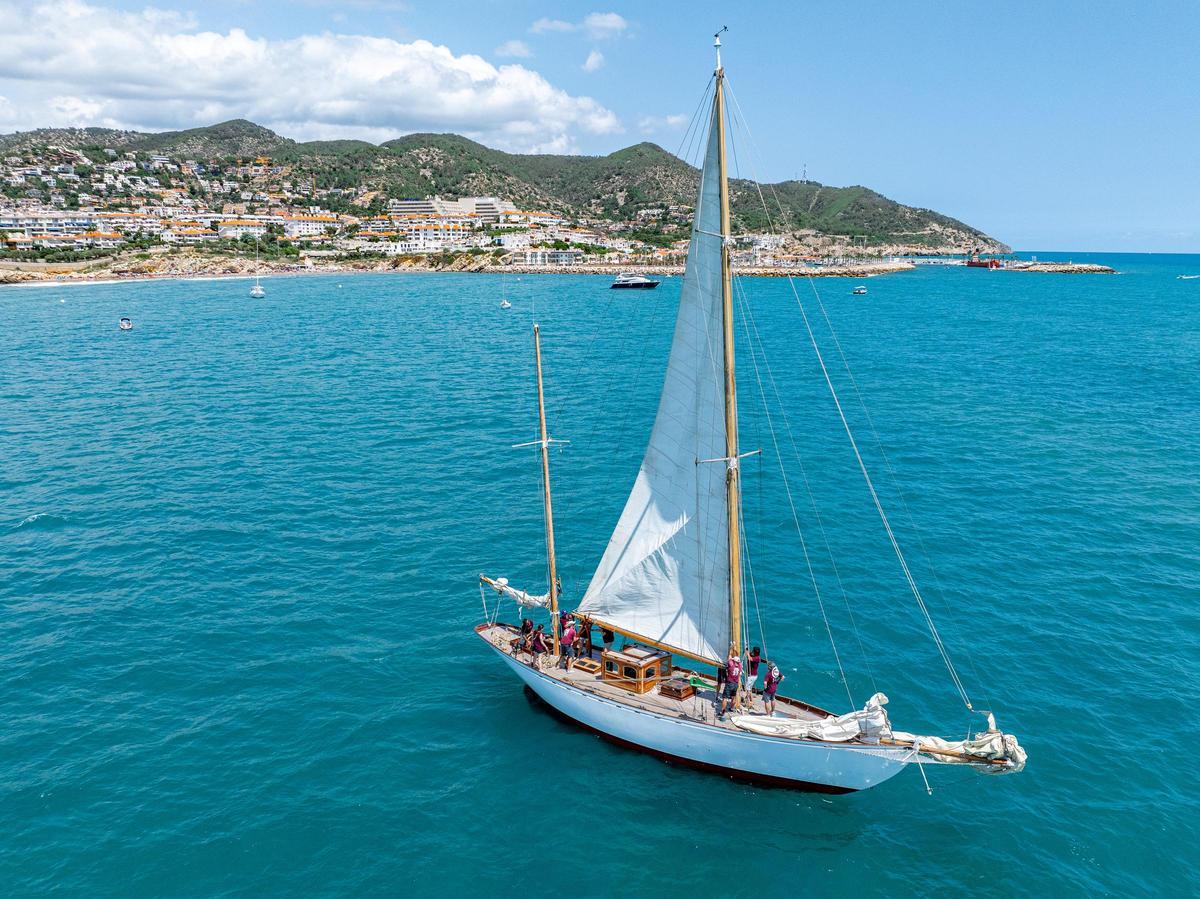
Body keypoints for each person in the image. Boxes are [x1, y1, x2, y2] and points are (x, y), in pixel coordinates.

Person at [719, 648, 742, 719]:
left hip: (729, 683)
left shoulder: (731, 664)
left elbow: (729, 658)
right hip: (735, 684)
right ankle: (732, 708)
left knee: (725, 698)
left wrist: (731, 649)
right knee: (733, 697)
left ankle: (722, 711)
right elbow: (738, 661)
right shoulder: (740, 666)